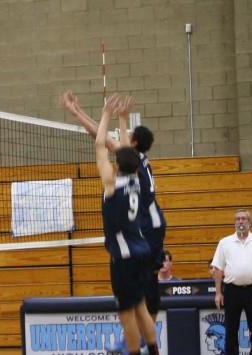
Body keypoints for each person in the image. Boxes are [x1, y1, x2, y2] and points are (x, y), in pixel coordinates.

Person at [62, 91, 167, 319]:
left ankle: (140, 337)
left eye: (127, 134)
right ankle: (147, 337)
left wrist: (77, 112)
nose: (122, 135)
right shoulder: (136, 162)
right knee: (144, 287)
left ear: (133, 143)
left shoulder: (132, 161)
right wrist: (79, 112)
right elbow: (103, 138)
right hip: (149, 226)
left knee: (141, 292)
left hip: (148, 229)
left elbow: (101, 140)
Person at [93, 93, 159, 355]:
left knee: (127, 314)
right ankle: (154, 350)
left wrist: (106, 113)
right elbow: (124, 149)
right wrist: (122, 118)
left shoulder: (112, 184)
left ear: (117, 165)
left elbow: (100, 145)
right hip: (142, 251)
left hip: (124, 257)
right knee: (141, 305)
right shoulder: (136, 179)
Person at [211, 209, 252, 355]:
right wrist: (218, 293)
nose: (240, 222)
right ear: (234, 222)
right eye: (238, 219)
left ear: (249, 222)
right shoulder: (224, 242)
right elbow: (218, 269)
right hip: (232, 291)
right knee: (231, 330)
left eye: (244, 219)